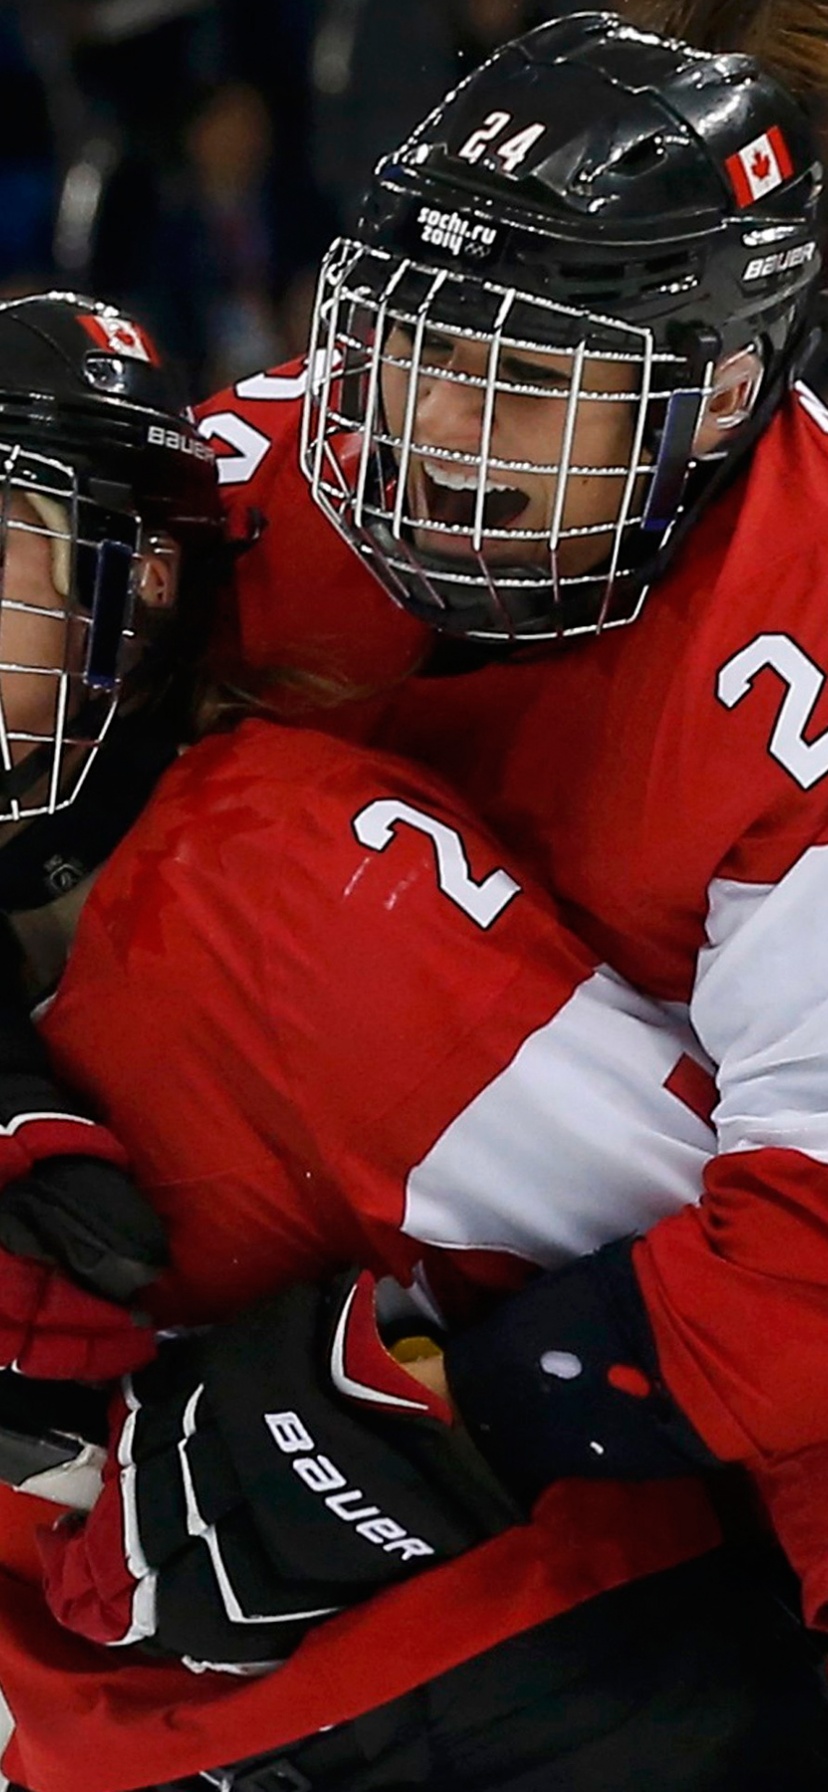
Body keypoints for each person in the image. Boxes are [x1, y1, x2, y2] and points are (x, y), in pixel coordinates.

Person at [14, 33, 828, 1785]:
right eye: (413, 342)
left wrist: (435, 1420)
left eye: (525, 380)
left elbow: (813, 1268)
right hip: (517, 1309)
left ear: (721, 389)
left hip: (735, 1448)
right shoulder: (323, 453)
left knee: (266, 879)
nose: (430, 427)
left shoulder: (806, 649)